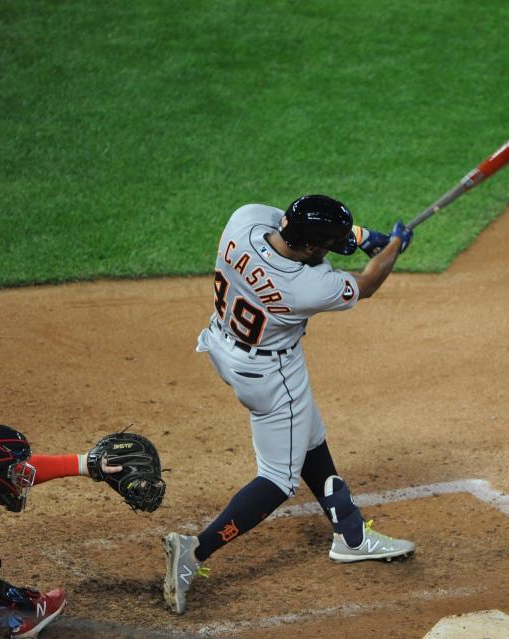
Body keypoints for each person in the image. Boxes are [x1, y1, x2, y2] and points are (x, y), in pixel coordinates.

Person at [163, 195, 416, 614]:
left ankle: (350, 533)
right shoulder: (305, 287)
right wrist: (392, 247)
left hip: (223, 344)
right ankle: (195, 553)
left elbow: (299, 235)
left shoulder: (241, 220)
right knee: (278, 478)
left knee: (309, 435)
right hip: (271, 374)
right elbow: (366, 284)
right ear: (315, 249)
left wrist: (365, 237)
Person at [0, 423, 124, 638]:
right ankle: (10, 621)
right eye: (18, 470)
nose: (23, 475)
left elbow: (3, 470)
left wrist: (84, 464)